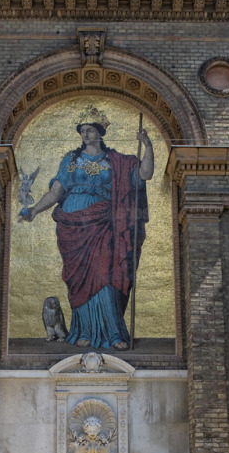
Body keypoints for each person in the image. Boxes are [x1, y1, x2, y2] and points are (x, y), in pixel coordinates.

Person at [21, 105, 154, 350]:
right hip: (73, 226)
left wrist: (147, 145)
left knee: (105, 274)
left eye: (90, 130)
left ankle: (114, 334)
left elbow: (145, 174)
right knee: (79, 279)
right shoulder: (70, 161)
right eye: (82, 130)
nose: (85, 134)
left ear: (100, 132)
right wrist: (34, 210)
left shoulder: (118, 161)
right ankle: (83, 331)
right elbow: (55, 192)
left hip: (103, 225)